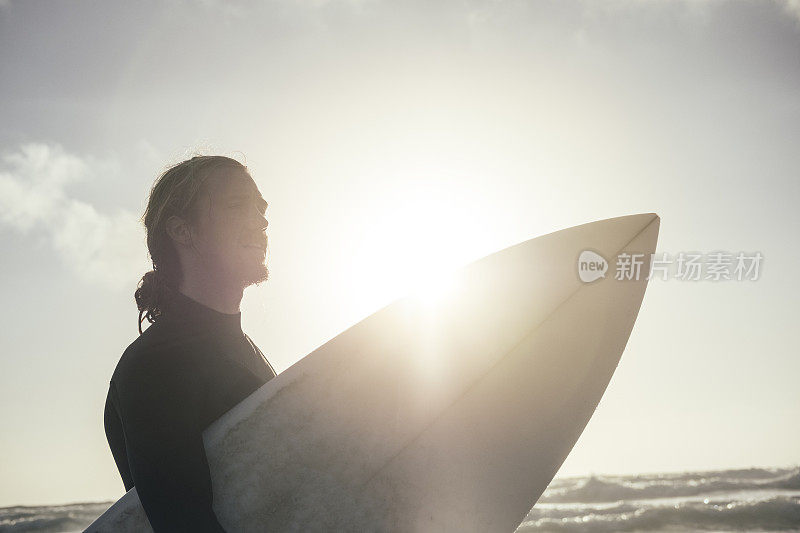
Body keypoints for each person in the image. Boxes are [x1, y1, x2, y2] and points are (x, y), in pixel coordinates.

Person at [103, 155, 276, 531]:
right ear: (183, 231)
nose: (261, 220)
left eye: (261, 209)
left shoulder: (243, 350)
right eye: (237, 205)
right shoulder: (157, 364)